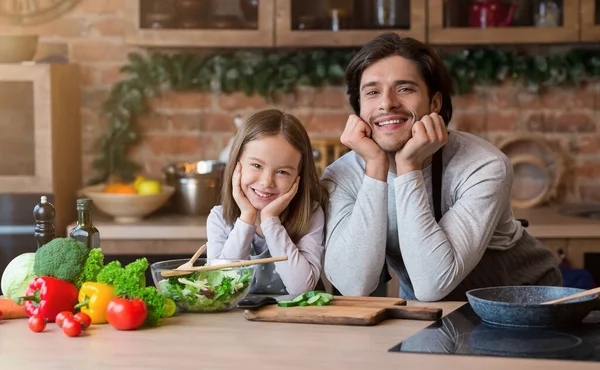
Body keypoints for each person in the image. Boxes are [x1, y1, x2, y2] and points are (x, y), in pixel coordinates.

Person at [321, 32, 562, 301]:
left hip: (524, 303)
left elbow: (433, 283)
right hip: (431, 312)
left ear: (434, 103)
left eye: (404, 88)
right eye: (373, 92)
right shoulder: (342, 176)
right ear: (359, 108)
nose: (387, 103)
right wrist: (376, 167)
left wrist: (408, 167)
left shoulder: (482, 165)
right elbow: (353, 285)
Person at [206, 109, 328, 296]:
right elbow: (219, 285)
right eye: (256, 166)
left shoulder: (311, 215)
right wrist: (247, 218)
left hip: (298, 322)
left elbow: (301, 289)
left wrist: (270, 220)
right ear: (237, 166)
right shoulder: (219, 218)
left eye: (282, 172)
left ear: (298, 177)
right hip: (238, 323)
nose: (266, 182)